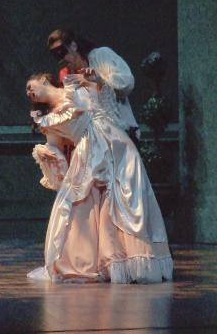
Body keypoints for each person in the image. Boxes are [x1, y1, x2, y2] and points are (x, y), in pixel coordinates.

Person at [25, 72, 173, 283]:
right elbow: (55, 146)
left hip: (114, 144)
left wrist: (96, 83)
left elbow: (104, 102)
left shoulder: (74, 87)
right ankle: (105, 263)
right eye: (26, 92)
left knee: (125, 199)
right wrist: (48, 155)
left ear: (43, 80)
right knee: (89, 208)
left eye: (30, 86)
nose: (29, 92)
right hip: (87, 156)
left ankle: (136, 262)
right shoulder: (47, 119)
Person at [47, 29, 141, 145]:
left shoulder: (101, 56)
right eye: (55, 55)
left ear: (73, 45)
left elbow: (127, 83)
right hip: (92, 145)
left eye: (62, 52)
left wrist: (100, 80)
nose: (62, 59)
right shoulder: (67, 76)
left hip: (120, 136)